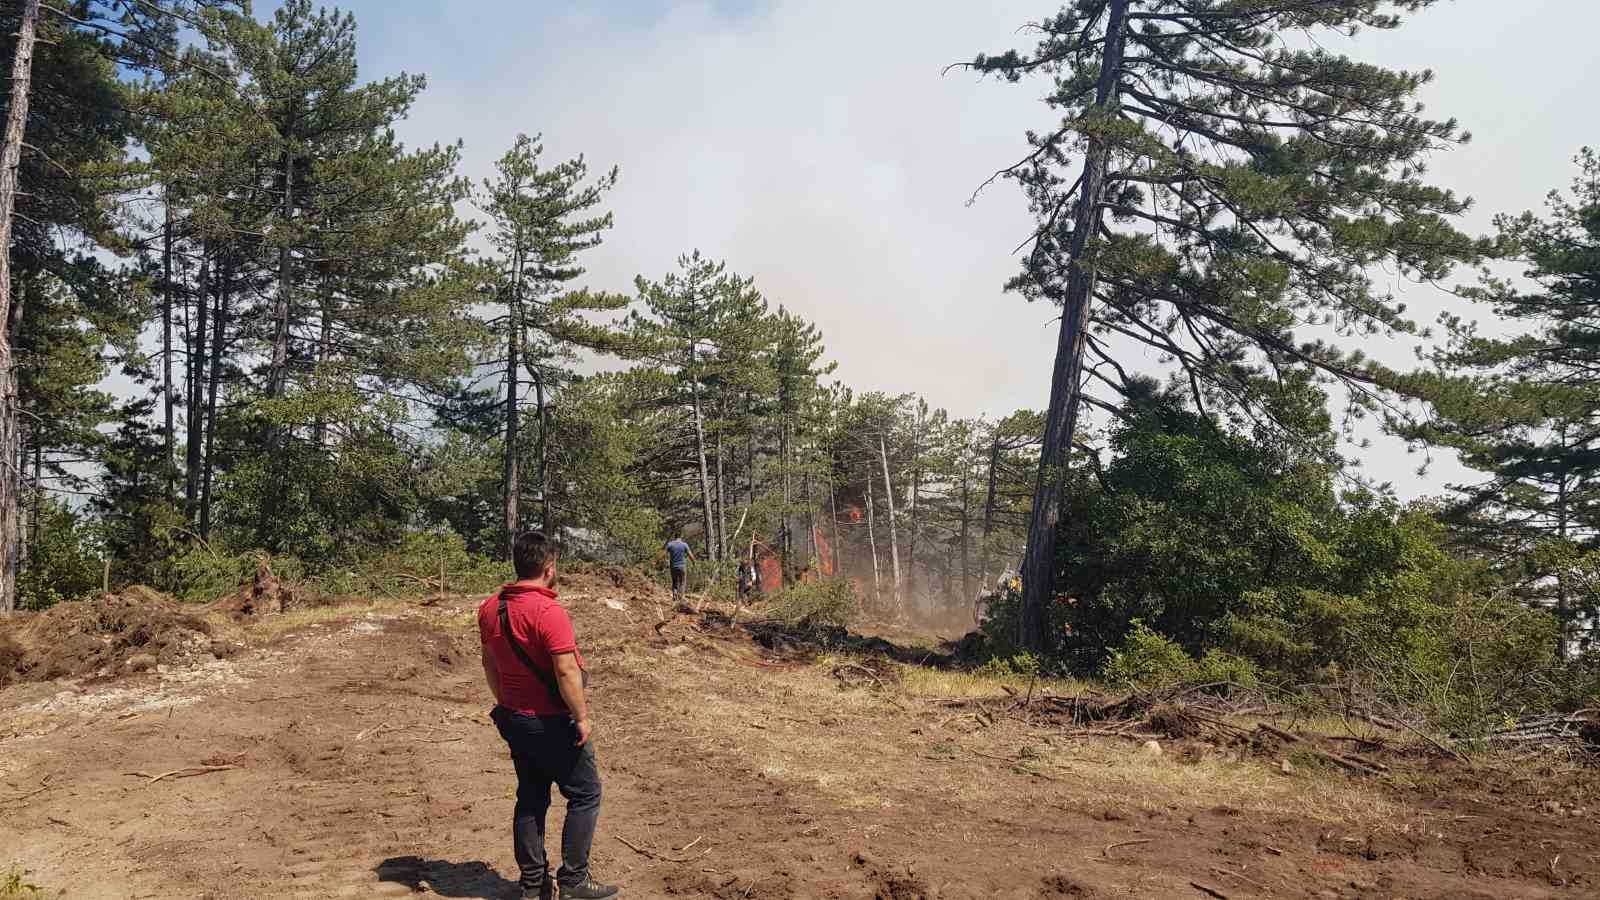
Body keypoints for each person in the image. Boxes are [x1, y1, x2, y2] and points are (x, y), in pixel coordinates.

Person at [479, 531, 619, 900]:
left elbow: (489, 662)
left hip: (514, 717)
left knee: (530, 795)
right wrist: (583, 717)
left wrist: (505, 700)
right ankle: (574, 880)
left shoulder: (491, 607)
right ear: (548, 567)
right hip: (551, 720)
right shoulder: (548, 611)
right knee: (586, 794)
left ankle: (533, 884)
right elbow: (566, 671)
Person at [663, 533, 693, 602]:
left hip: (673, 567)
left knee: (674, 581)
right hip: (682, 567)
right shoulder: (684, 545)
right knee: (682, 582)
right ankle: (680, 597)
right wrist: (694, 562)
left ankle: (675, 594)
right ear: (681, 536)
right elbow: (690, 555)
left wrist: (656, 561)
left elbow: (663, 554)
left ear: (675, 537)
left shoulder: (670, 544)